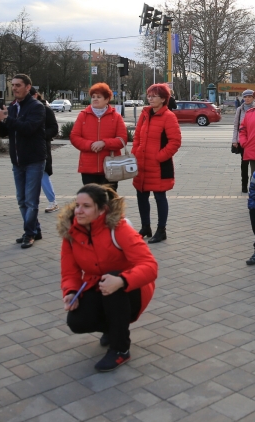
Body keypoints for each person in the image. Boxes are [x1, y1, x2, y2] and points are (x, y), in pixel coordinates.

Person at [58, 184, 158, 372]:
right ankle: (112, 328)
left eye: (86, 206)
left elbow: (150, 266)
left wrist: (122, 280)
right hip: (99, 286)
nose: (78, 210)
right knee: (76, 322)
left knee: (111, 280)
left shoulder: (118, 228)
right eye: (77, 205)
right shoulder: (71, 233)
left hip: (131, 288)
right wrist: (71, 292)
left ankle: (120, 348)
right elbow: (69, 272)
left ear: (102, 209)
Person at [0, 74, 46, 248]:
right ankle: (35, 230)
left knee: (31, 201)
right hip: (17, 160)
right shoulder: (13, 107)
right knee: (21, 200)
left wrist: (6, 119)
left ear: (28, 87)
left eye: (18, 85)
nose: (14, 88)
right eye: (13, 85)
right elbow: (5, 133)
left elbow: (28, 128)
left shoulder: (36, 107)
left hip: (34, 160)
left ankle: (29, 233)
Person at [131, 83, 182, 243]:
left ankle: (161, 230)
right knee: (141, 195)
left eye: (154, 96)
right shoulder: (145, 114)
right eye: (149, 95)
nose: (150, 98)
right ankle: (145, 226)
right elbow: (137, 136)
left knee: (160, 196)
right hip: (142, 163)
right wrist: (136, 153)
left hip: (159, 165)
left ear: (163, 99)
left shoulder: (168, 116)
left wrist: (159, 157)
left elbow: (175, 141)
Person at [70, 83, 128, 192]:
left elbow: (122, 139)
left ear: (107, 99)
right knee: (91, 200)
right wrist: (90, 145)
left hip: (110, 167)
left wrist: (104, 143)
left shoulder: (116, 117)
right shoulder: (83, 115)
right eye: (93, 97)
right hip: (88, 167)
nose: (95, 99)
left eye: (99, 97)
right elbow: (74, 137)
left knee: (109, 200)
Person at [32, 89, 59, 213]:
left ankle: (52, 201)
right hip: (24, 149)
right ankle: (30, 202)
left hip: (41, 148)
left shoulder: (45, 110)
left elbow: (54, 128)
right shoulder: (20, 108)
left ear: (35, 95)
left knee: (43, 174)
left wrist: (41, 136)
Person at [232, 89, 255, 193]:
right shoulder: (240, 109)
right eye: (245, 97)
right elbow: (236, 126)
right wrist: (235, 140)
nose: (247, 99)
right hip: (242, 141)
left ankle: (254, 184)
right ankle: (244, 186)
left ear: (253, 98)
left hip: (254, 141)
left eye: (249, 97)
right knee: (244, 164)